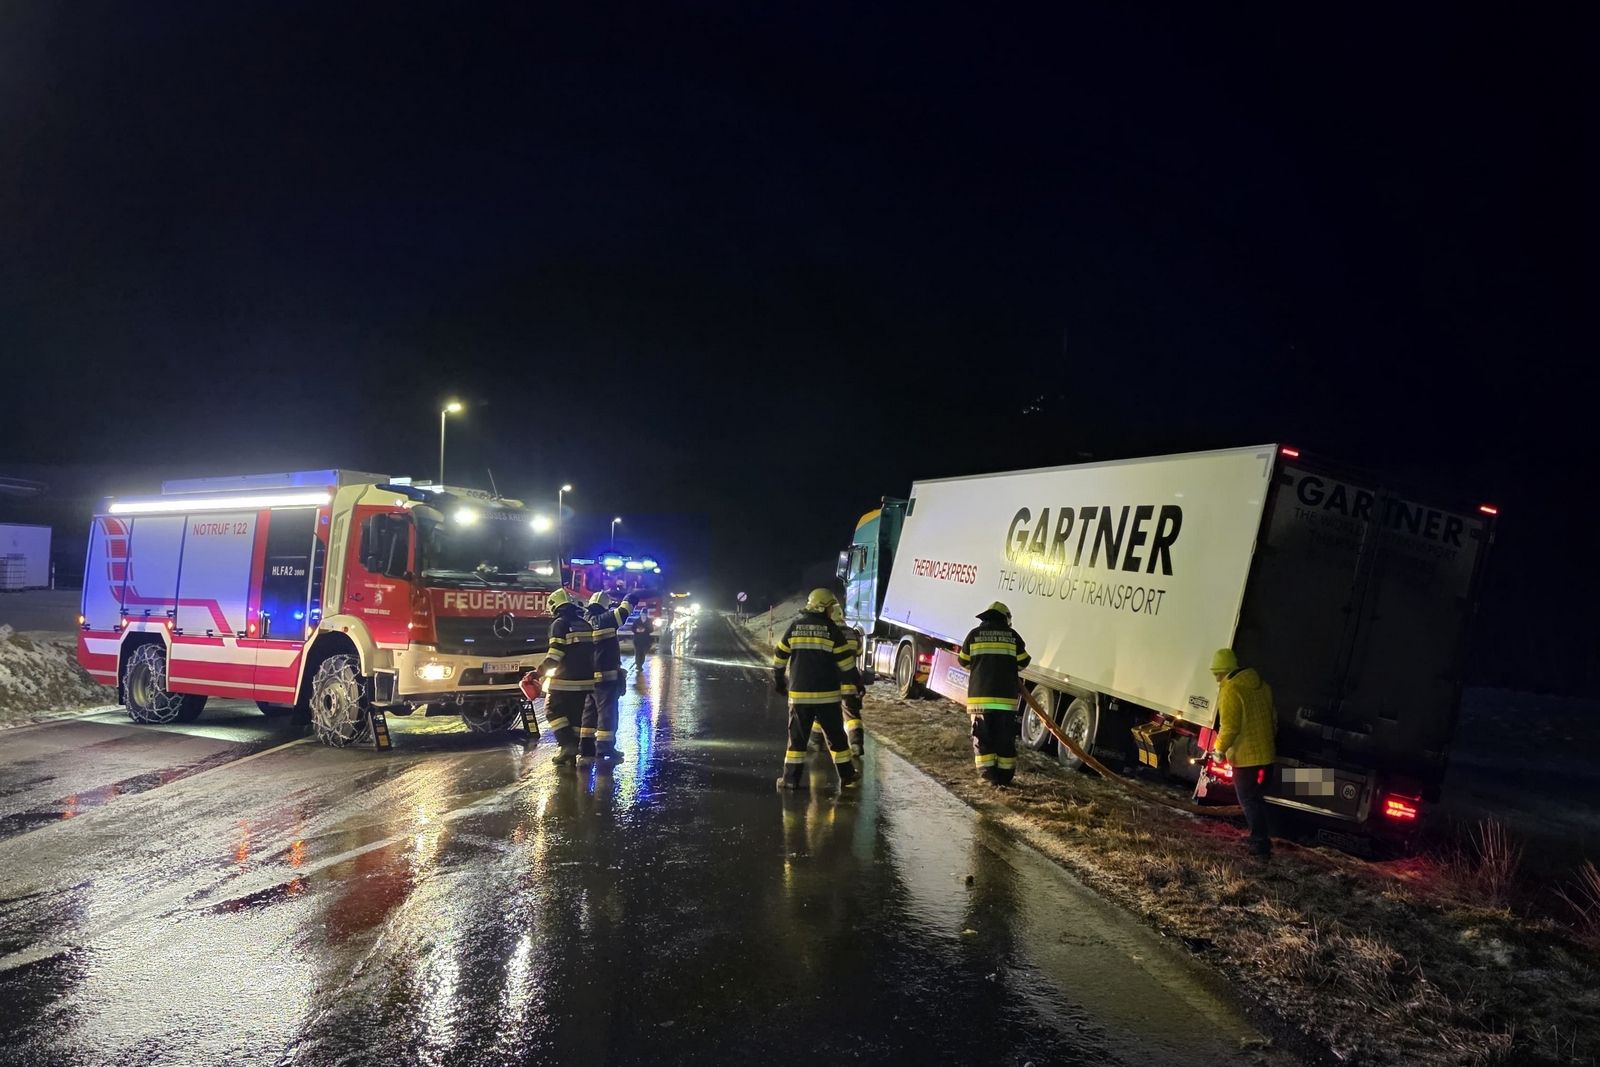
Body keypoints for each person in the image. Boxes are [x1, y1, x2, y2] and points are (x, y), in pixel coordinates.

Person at [773, 588, 860, 790]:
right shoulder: (832, 630)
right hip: (828, 698)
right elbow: (846, 663)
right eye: (830, 608)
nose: (832, 612)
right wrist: (858, 683)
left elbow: (779, 656)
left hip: (799, 697)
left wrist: (779, 681)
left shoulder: (795, 627)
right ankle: (847, 776)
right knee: (837, 738)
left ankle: (790, 780)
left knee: (797, 740)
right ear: (822, 607)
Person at [1210, 648, 1277, 859]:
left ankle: (1260, 844)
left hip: (1246, 757)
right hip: (1266, 754)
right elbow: (1273, 719)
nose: (1217, 679)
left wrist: (1219, 750)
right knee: (1256, 798)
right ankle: (1261, 837)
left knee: (1248, 799)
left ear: (1226, 671)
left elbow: (1229, 727)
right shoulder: (1262, 686)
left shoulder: (1230, 690)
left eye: (1217, 674)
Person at [959, 601, 1031, 787]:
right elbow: (1023, 663)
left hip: (980, 700)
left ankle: (988, 776)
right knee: (1004, 739)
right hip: (1005, 701)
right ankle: (1004, 778)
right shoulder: (1013, 636)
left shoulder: (974, 635)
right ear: (1005, 618)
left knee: (983, 738)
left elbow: (963, 661)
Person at [539, 588, 596, 766]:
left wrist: (537, 672)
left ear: (554, 605)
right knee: (576, 717)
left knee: (552, 710)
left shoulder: (559, 624)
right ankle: (570, 756)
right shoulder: (585, 624)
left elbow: (555, 655)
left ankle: (567, 746)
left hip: (565, 681)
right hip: (587, 682)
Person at [582, 590, 640, 765]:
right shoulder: (606, 619)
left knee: (588, 714)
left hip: (586, 678)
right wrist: (631, 596)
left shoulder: (582, 622)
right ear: (605, 606)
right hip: (606, 678)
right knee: (607, 713)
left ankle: (586, 748)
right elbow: (624, 611)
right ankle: (605, 747)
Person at [810, 600, 865, 755]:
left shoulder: (827, 632)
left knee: (821, 713)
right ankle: (856, 745)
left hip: (830, 684)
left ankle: (816, 742)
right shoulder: (852, 634)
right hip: (850, 683)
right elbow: (859, 652)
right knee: (852, 715)